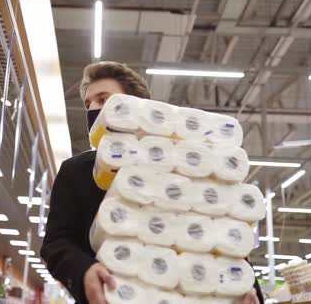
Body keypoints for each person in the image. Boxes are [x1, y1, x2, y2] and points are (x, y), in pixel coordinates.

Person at [40, 61, 264, 304]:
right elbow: (56, 243)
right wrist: (84, 272)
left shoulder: (184, 164)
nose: (94, 108)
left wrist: (246, 290)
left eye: (104, 100)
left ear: (136, 106)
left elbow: (219, 235)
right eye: (88, 103)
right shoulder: (76, 172)